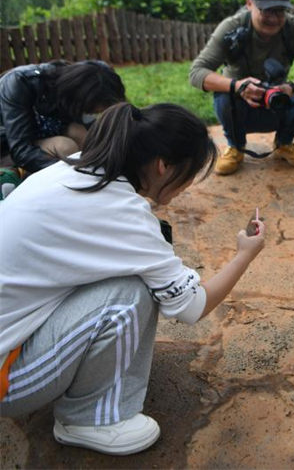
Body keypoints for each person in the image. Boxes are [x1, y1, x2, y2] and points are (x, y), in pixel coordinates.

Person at [0, 102, 266, 455]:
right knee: (131, 292)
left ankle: (83, 389)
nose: (186, 186)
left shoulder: (72, 170)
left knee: (126, 276)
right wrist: (245, 253)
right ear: (163, 166)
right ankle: (88, 418)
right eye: (189, 174)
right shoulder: (122, 211)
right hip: (9, 380)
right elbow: (191, 306)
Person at [190, 0, 294, 175]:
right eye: (266, 11)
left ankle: (284, 143)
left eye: (280, 11)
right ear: (249, 4)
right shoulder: (232, 26)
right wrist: (238, 86)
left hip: (276, 102)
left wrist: (291, 87)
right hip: (238, 106)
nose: (274, 19)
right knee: (224, 94)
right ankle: (235, 147)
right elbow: (197, 72)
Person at [0, 60, 126, 175]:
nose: (95, 113)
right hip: (9, 146)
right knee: (65, 146)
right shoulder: (20, 83)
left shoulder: (74, 85)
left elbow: (97, 135)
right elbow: (22, 151)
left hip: (42, 134)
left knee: (84, 135)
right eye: (94, 109)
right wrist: (74, 172)